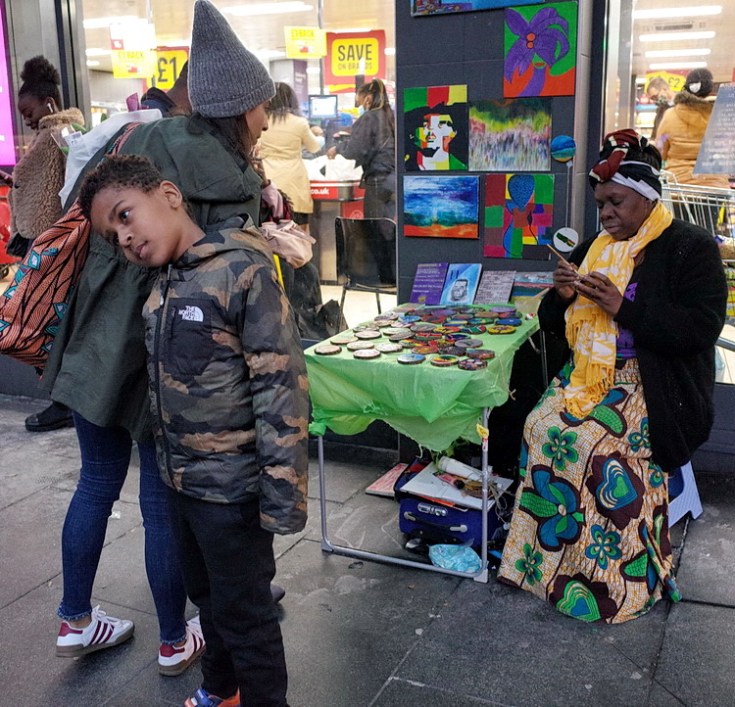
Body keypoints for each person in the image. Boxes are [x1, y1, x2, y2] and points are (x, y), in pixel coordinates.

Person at [42, 0, 287, 687]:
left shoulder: (141, 141)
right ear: (240, 109)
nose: (267, 119)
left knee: (95, 478)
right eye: (263, 107)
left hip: (95, 341)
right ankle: (178, 636)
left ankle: (72, 614)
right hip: (163, 355)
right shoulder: (232, 185)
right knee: (159, 500)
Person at [79, 152, 308, 707]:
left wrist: (282, 496)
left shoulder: (241, 270)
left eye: (125, 215)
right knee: (206, 600)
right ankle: (220, 690)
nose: (124, 238)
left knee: (246, 614)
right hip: (181, 485)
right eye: (112, 234)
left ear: (169, 195)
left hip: (234, 492)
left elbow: (281, 389)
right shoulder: (162, 286)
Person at [498, 129, 727, 624]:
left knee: (597, 450)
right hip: (590, 375)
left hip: (653, 384)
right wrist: (560, 298)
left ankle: (610, 582)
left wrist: (623, 307)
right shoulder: (595, 247)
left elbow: (701, 328)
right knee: (540, 429)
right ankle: (543, 568)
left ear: (646, 200)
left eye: (615, 202)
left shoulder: (690, 247)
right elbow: (549, 322)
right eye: (601, 203)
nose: (605, 214)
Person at [8, 56, 84, 432]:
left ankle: (63, 402)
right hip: (43, 238)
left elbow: (67, 186)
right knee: (49, 321)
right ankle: (61, 399)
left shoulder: (61, 132)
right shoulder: (52, 132)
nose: (25, 118)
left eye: (28, 109)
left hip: (53, 241)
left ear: (47, 102)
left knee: (50, 322)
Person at [326, 78, 396, 220]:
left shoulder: (370, 117)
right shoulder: (388, 115)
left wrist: (337, 149)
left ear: (368, 98)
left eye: (360, 101)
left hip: (377, 181)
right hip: (391, 180)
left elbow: (357, 149)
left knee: (374, 227)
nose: (361, 105)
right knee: (387, 227)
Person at [259, 82, 323, 236]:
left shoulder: (262, 121)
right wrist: (318, 135)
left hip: (268, 183)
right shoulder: (299, 123)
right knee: (298, 237)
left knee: (269, 234)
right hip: (294, 185)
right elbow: (315, 147)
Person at [656, 69, 729, 190]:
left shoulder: (670, 115)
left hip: (679, 188)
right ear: (710, 89)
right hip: (715, 189)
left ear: (686, 88)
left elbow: (660, 148)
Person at [644, 76, 675, 141]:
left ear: (664, 89)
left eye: (655, 96)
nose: (655, 100)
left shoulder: (682, 105)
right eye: (652, 99)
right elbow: (655, 133)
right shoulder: (660, 110)